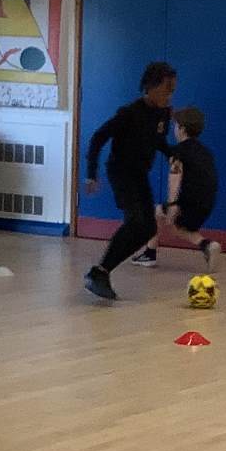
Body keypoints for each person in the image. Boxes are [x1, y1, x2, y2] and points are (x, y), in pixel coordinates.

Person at [83, 61, 177, 301]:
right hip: (121, 172)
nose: (169, 94)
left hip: (139, 174)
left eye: (172, 90)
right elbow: (98, 138)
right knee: (135, 220)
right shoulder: (129, 113)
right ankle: (99, 272)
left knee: (148, 228)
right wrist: (91, 173)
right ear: (151, 86)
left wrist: (173, 156)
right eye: (166, 89)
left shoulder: (163, 114)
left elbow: (158, 141)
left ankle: (102, 272)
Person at [157, 108, 222, 270]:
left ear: (182, 129)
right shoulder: (206, 152)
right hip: (207, 202)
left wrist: (172, 204)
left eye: (175, 125)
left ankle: (148, 254)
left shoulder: (178, 151)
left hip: (188, 202)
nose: (174, 129)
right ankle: (207, 245)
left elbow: (175, 177)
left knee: (154, 213)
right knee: (178, 227)